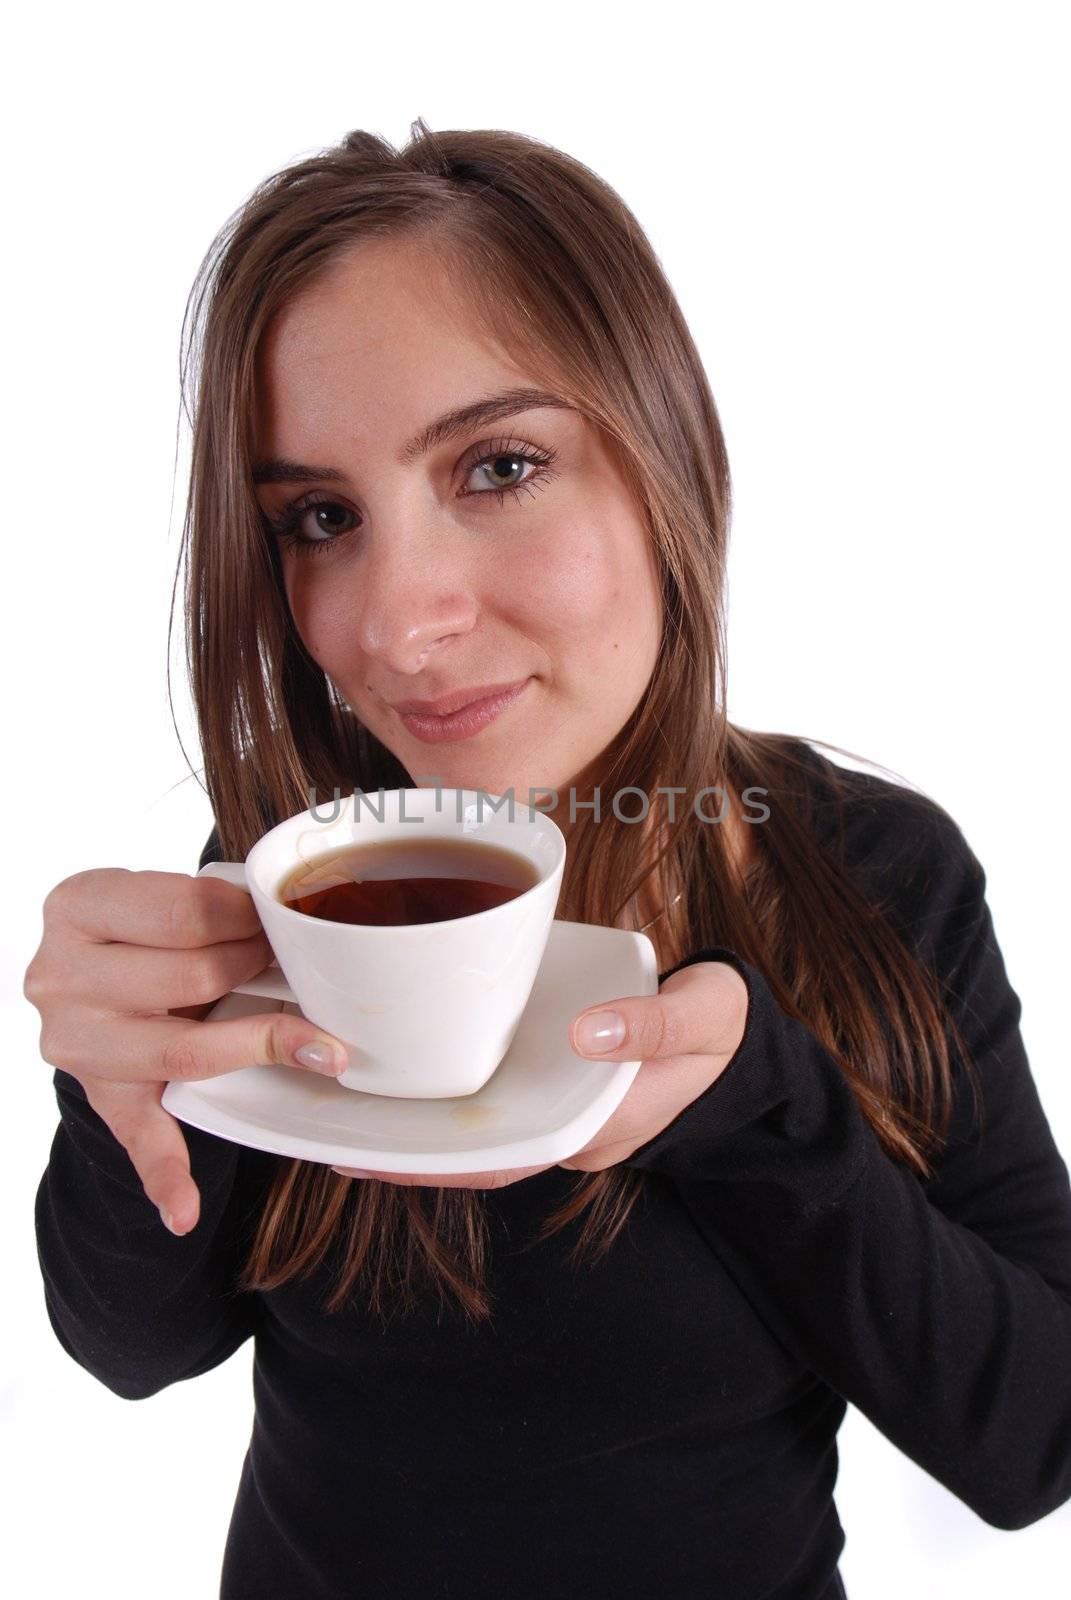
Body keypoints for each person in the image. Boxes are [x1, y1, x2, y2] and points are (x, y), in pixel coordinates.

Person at [26, 120, 1071, 1600]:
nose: (395, 626)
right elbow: (139, 1346)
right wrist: (114, 1097)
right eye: (320, 519)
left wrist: (762, 1111)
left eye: (499, 466)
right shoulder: (297, 880)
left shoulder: (873, 875)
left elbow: (1031, 1442)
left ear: (667, 460)